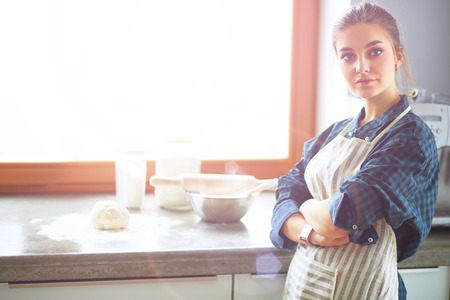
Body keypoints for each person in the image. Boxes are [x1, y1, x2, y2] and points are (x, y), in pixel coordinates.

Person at [270, 3, 439, 300]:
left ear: (397, 55)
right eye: (348, 56)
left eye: (375, 51)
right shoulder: (336, 131)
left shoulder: (410, 137)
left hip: (368, 285)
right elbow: (288, 187)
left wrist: (308, 207)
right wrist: (309, 232)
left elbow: (343, 214)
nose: (361, 66)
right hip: (306, 281)